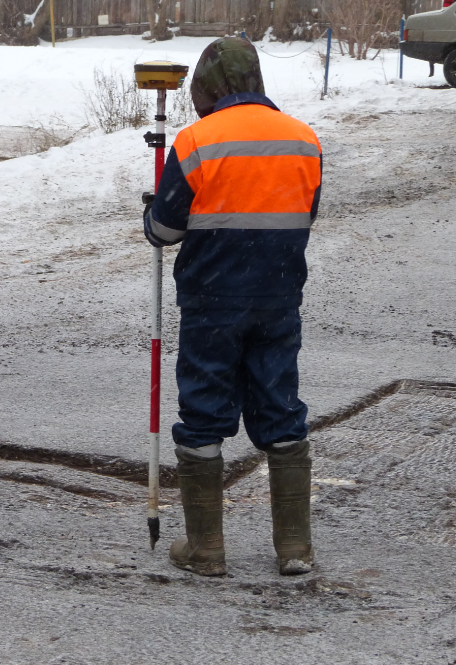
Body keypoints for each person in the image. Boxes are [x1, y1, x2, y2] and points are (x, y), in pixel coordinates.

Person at [143, 37, 322, 577]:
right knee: (280, 407)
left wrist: (152, 215)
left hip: (212, 301)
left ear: (207, 87)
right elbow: (304, 213)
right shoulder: (304, 140)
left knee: (203, 411)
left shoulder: (197, 141)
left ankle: (207, 549)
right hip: (277, 298)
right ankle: (294, 547)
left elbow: (166, 229)